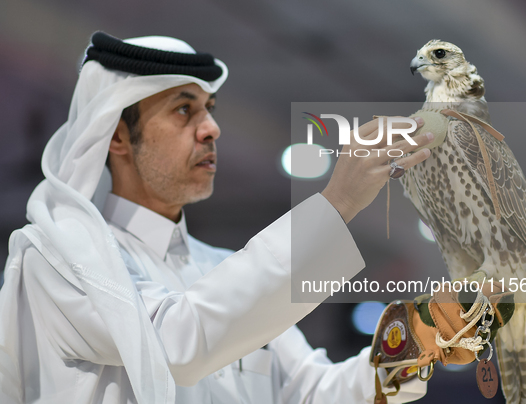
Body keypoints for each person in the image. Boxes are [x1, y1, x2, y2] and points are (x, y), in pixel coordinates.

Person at [0, 32, 433, 403]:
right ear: (115, 135)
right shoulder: (55, 261)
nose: (211, 128)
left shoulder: (222, 269)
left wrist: (421, 336)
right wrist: (337, 203)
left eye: (210, 108)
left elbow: (314, 392)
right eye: (184, 110)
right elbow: (177, 342)